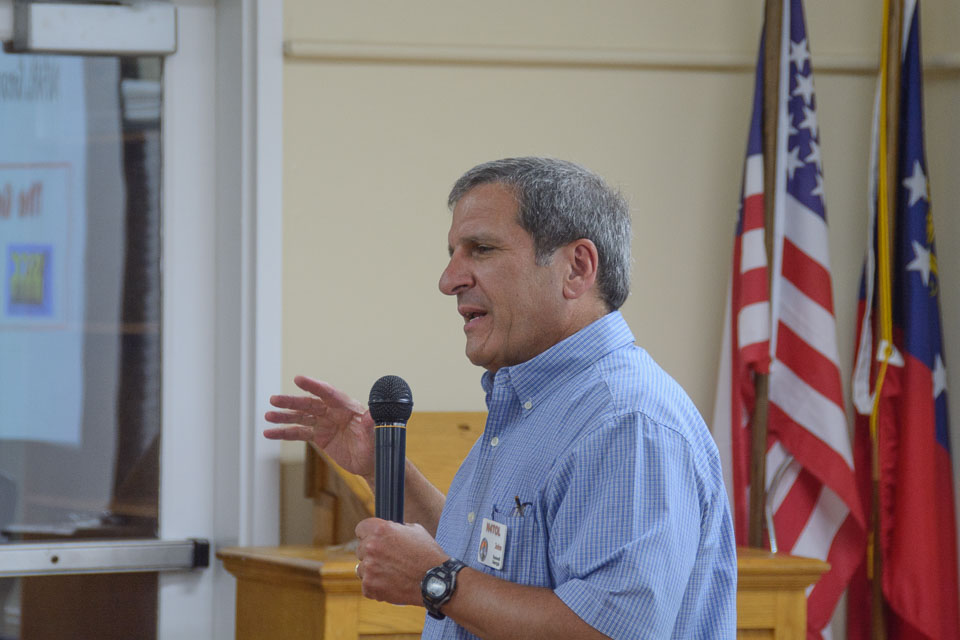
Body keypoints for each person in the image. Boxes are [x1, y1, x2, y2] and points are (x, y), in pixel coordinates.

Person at [264, 157, 737, 638]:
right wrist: (383, 468)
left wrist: (437, 581)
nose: (449, 280)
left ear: (577, 268)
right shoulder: (534, 402)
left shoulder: (625, 420)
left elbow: (611, 631)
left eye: (482, 249)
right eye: (453, 253)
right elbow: (484, 562)